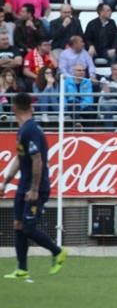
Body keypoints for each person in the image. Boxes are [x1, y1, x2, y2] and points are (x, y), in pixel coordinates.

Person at [3, 93, 68, 279]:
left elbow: (37, 159)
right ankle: (22, 269)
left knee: (28, 228)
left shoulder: (31, 130)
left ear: (14, 108)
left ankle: (57, 251)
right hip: (23, 185)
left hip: (35, 187)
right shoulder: (23, 129)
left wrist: (34, 189)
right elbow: (19, 157)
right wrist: (6, 182)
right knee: (18, 225)